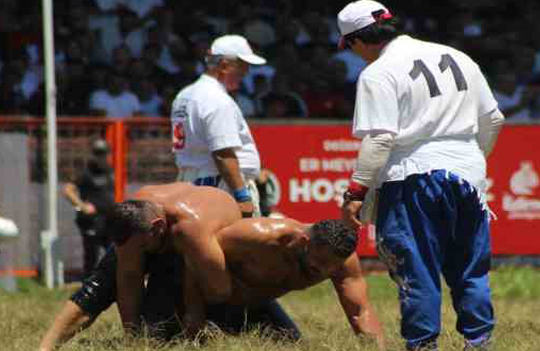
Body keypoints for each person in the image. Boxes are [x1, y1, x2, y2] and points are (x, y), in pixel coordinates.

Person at [336, 1, 504, 350]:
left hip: (412, 175)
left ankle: (423, 344)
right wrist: (472, 160)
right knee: (470, 266)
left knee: (417, 268)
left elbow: (380, 138)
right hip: (468, 174)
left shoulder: (379, 71)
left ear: (356, 40)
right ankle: (479, 342)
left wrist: (356, 192)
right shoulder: (456, 55)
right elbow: (494, 120)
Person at [39, 183, 384, 350]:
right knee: (108, 280)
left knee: (289, 342)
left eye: (327, 269)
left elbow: (360, 312)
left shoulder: (340, 261)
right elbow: (129, 277)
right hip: (195, 263)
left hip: (224, 281)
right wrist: (137, 338)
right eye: (316, 267)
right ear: (306, 244)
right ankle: (46, 345)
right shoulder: (259, 237)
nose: (322, 274)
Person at [170, 35, 265, 218]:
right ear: (223, 65)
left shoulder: (184, 95)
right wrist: (242, 196)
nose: (246, 72)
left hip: (190, 182)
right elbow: (223, 154)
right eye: (243, 65)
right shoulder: (217, 100)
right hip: (219, 186)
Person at [62, 139, 115, 277]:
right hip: (92, 220)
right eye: (98, 154)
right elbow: (68, 190)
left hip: (108, 218)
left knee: (113, 252)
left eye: (103, 153)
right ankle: (88, 286)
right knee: (92, 255)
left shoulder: (109, 170)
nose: (101, 157)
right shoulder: (86, 172)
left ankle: (110, 284)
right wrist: (81, 206)